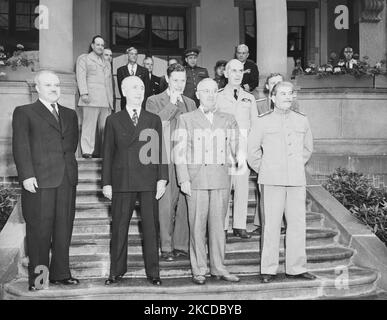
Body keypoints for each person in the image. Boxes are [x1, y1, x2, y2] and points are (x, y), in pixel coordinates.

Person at [12, 70, 80, 291]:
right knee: (40, 232)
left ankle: (61, 274)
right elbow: (20, 146)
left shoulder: (70, 114)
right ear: (37, 88)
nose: (54, 88)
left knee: (63, 229)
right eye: (49, 85)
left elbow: (70, 146)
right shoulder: (25, 112)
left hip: (66, 180)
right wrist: (27, 175)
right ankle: (40, 280)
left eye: (57, 85)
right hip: (39, 181)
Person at [174, 78, 242, 285]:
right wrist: (183, 178)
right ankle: (199, 269)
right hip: (196, 179)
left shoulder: (228, 118)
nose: (211, 95)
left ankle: (219, 267)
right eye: (206, 91)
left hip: (220, 178)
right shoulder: (186, 118)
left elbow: (237, 147)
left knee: (218, 227)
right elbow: (179, 152)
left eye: (214, 91)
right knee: (196, 226)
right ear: (197, 94)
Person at [102, 76, 168, 286]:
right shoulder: (113, 120)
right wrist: (106, 183)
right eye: (134, 88)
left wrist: (162, 178)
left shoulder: (153, 119)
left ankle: (153, 272)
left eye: (141, 88)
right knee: (119, 228)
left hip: (148, 180)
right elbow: (108, 154)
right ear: (123, 91)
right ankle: (116, 271)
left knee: (151, 227)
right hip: (121, 181)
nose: (139, 92)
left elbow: (160, 151)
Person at [247, 81, 315, 283]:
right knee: (271, 225)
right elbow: (252, 152)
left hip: (296, 180)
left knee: (297, 224)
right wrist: (266, 169)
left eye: (290, 93)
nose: (287, 96)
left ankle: (296, 268)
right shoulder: (262, 121)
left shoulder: (302, 120)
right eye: (282, 93)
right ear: (273, 98)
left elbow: (307, 148)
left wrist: (293, 165)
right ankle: (268, 269)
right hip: (271, 180)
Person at [146, 64, 196, 261]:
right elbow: (154, 125)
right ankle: (166, 247)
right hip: (164, 157)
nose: (179, 84)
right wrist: (172, 104)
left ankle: (181, 245)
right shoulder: (154, 100)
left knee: (185, 203)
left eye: (182, 80)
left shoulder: (190, 103)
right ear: (167, 79)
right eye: (175, 80)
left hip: (185, 159)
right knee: (165, 206)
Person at [216, 59, 258, 239]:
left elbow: (255, 126)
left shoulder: (249, 98)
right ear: (225, 73)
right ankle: (222, 226)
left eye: (240, 71)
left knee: (242, 188)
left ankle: (240, 225)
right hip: (223, 150)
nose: (237, 74)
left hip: (242, 149)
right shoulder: (217, 96)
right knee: (223, 189)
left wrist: (253, 150)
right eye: (233, 71)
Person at [76, 35, 114, 158]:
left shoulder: (106, 62)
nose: (100, 47)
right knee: (89, 126)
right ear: (92, 45)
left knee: (105, 128)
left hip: (104, 99)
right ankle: (87, 151)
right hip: (90, 98)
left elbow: (109, 84)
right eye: (98, 44)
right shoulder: (84, 58)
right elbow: (81, 76)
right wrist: (84, 93)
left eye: (102, 45)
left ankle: (106, 151)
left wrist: (111, 101)